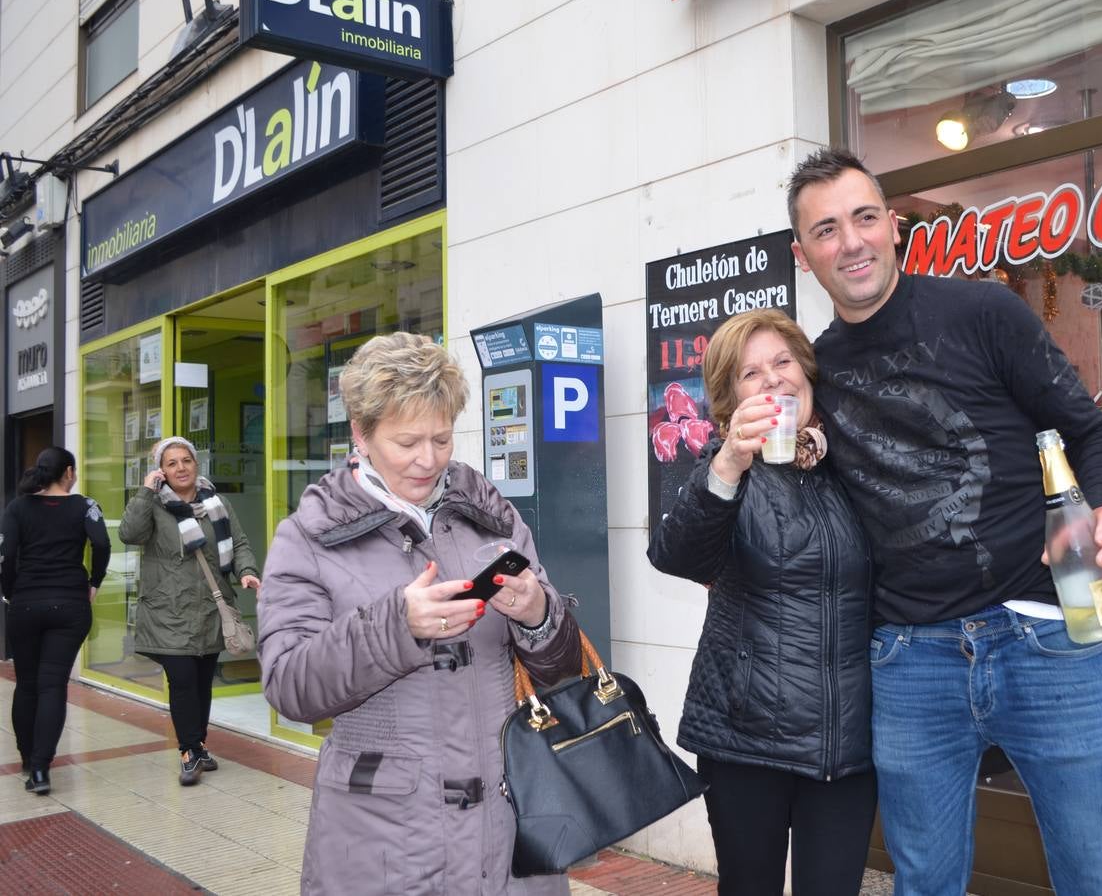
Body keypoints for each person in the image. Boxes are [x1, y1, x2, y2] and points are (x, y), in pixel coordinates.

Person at [787, 148, 1102, 895]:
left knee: (1100, 878)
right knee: (926, 885)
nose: (850, 242)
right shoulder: (815, 374)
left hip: (1046, 633)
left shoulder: (982, 312)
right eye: (826, 230)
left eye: (864, 218)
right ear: (804, 254)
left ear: (893, 226)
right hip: (909, 661)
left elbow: (1095, 433)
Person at [257, 332, 583, 895]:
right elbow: (288, 684)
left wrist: (539, 614)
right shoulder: (310, 535)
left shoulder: (494, 518)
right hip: (385, 845)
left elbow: (564, 670)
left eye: (441, 438)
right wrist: (396, 627)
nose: (428, 459)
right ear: (360, 434)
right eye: (407, 441)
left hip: (510, 832)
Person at [648, 309, 876, 895]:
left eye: (782, 362)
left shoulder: (850, 466)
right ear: (728, 399)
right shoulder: (726, 472)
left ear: (806, 371)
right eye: (751, 374)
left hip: (844, 740)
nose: (773, 380)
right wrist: (728, 462)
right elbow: (675, 555)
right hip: (747, 735)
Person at [119, 436, 261, 786]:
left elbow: (239, 542)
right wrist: (145, 492)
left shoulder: (218, 502)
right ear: (161, 471)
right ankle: (188, 751)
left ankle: (198, 744)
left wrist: (246, 571)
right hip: (168, 610)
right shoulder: (153, 505)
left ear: (196, 464)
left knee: (201, 683)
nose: (180, 468)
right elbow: (129, 533)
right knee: (182, 681)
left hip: (210, 607)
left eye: (186, 460)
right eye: (171, 463)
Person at [2, 447, 110, 796]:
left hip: (26, 605)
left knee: (28, 684)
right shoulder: (85, 505)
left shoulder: (17, 508)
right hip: (70, 605)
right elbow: (102, 543)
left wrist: (9, 592)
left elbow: (5, 553)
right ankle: (41, 771)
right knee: (52, 685)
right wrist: (94, 582)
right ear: (68, 472)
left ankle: (27, 760)